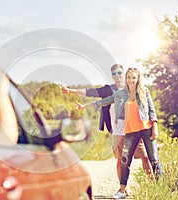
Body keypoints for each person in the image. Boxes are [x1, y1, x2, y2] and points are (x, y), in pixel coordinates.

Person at [61, 64, 153, 187]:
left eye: (119, 73)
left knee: (145, 157)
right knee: (121, 160)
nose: (117, 76)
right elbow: (90, 92)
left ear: (124, 74)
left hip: (136, 129)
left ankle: (153, 184)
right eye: (114, 74)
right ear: (112, 76)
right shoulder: (109, 90)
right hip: (118, 131)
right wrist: (70, 91)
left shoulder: (134, 88)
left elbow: (147, 106)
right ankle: (123, 188)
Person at [76, 67, 162, 199]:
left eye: (134, 77)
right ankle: (122, 190)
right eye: (129, 77)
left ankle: (160, 186)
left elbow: (152, 110)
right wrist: (84, 106)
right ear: (126, 79)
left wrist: (155, 127)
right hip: (130, 132)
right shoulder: (120, 94)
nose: (131, 80)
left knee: (153, 159)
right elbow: (102, 102)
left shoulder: (145, 91)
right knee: (124, 161)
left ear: (138, 78)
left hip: (146, 129)